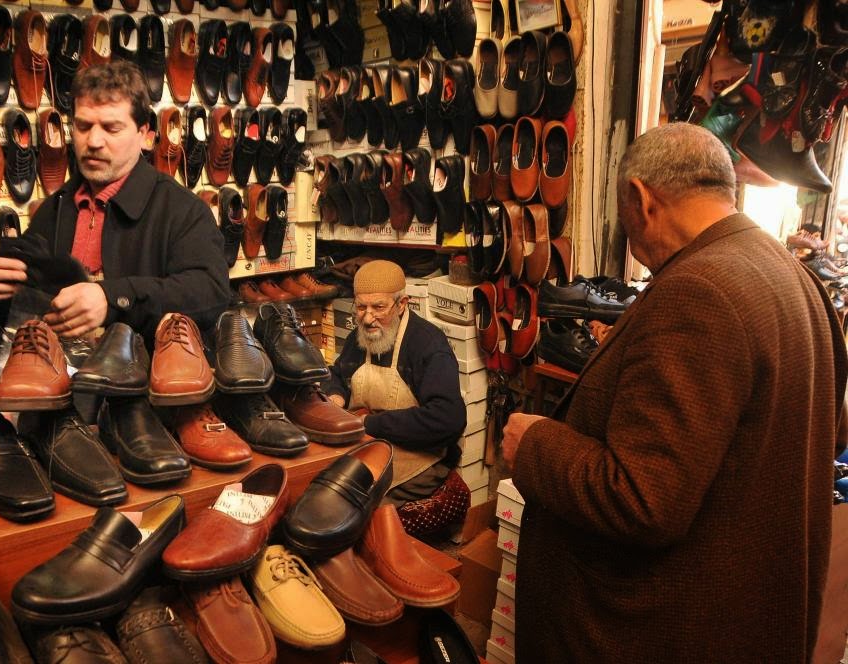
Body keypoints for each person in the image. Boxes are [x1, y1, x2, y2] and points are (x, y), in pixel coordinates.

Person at [501, 123, 847, 662]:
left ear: (641, 199)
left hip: (658, 631)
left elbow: (643, 500)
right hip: (745, 617)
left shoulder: (698, 291)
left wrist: (535, 445)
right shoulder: (795, 277)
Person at [0, 61, 230, 343]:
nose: (94, 141)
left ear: (144, 135)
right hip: (62, 366)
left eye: (112, 128)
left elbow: (211, 293)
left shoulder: (182, 210)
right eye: (83, 126)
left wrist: (113, 298)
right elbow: (23, 306)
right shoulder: (55, 210)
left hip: (149, 368)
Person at [327, 260, 469, 533]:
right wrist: (335, 397)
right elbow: (337, 374)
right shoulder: (362, 336)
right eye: (361, 307)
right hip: (368, 445)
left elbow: (448, 419)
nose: (368, 318)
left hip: (419, 458)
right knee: (323, 489)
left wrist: (370, 424)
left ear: (402, 303)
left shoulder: (428, 344)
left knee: (351, 511)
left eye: (379, 307)